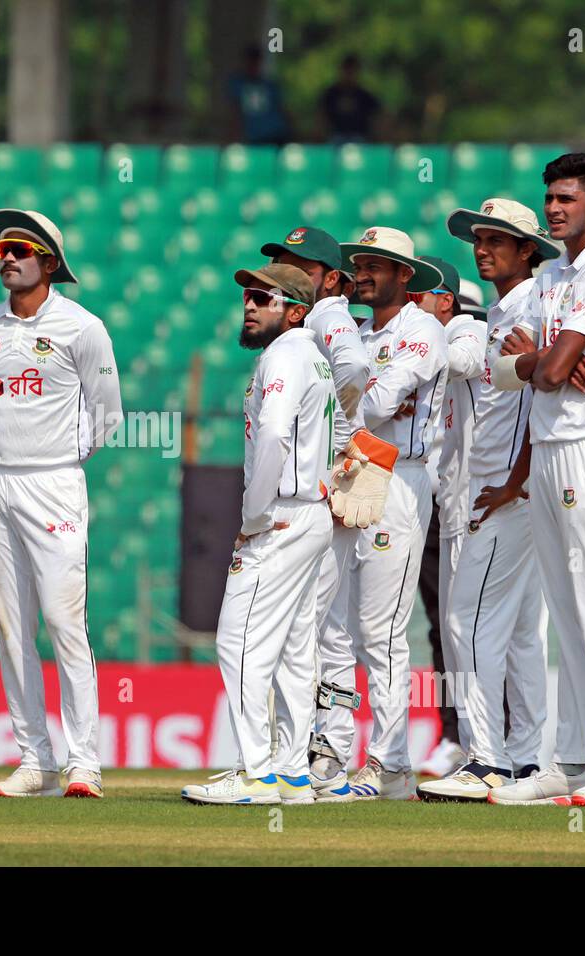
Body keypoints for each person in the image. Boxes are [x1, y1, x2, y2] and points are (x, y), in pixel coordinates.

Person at [485, 155, 585, 808]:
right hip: (549, 447)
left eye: (567, 199)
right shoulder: (551, 273)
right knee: (566, 610)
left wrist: (541, 361)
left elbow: (549, 372)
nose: (555, 208)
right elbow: (514, 366)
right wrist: (538, 360)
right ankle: (575, 761)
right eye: (549, 198)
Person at [0, 209, 122, 799]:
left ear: (50, 262)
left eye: (21, 249)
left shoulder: (83, 327)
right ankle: (37, 762)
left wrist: (61, 457)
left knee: (63, 622)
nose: (8, 256)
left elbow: (108, 413)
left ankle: (84, 762)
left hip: (54, 484)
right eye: (3, 249)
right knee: (12, 627)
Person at [419, 198, 565, 801]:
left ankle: (487, 760)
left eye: (497, 240)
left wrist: (515, 482)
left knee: (466, 619)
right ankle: (529, 759)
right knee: (523, 632)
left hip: (504, 493)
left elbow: (538, 403)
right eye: (479, 239)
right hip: (508, 490)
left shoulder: (528, 307)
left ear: (526, 250)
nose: (482, 248)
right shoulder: (507, 311)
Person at [181, 264, 334, 805]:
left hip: (283, 515)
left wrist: (252, 518)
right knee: (294, 648)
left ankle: (256, 773)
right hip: (310, 513)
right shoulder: (315, 355)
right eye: (246, 295)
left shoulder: (286, 354)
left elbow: (271, 432)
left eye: (262, 298)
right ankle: (292, 771)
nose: (249, 305)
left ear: (294, 311)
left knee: (238, 640)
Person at [262, 226, 396, 803]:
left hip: (325, 485)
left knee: (311, 625)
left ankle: (318, 755)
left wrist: (340, 434)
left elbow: (355, 368)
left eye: (302, 267)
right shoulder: (313, 318)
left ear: (332, 278)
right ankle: (329, 752)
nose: (288, 276)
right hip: (327, 485)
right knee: (328, 627)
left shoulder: (327, 312)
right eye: (282, 265)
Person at [336, 227, 448, 800]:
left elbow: (373, 402)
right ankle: (354, 757)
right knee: (344, 628)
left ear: (406, 275)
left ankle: (387, 760)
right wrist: (365, 400)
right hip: (352, 469)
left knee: (382, 630)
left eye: (377, 263)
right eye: (359, 262)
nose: (364, 271)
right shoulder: (354, 332)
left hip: (400, 475)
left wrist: (361, 399)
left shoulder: (422, 328)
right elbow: (362, 403)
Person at [409, 256, 485, 780]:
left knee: (480, 626)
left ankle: (488, 740)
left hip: (477, 499)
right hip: (432, 499)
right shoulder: (418, 344)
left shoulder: (468, 335)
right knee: (444, 628)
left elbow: (463, 355)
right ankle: (456, 734)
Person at [227, 45, 291, 145]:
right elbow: (235, 113)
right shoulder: (237, 85)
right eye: (249, 61)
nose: (252, 66)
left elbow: (283, 110)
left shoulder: (271, 86)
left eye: (255, 62)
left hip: (277, 134)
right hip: (255, 138)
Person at [320, 54, 381, 143]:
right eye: (347, 71)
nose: (349, 75)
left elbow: (377, 118)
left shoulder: (364, 95)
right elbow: (321, 118)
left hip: (359, 138)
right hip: (336, 138)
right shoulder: (330, 94)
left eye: (352, 71)